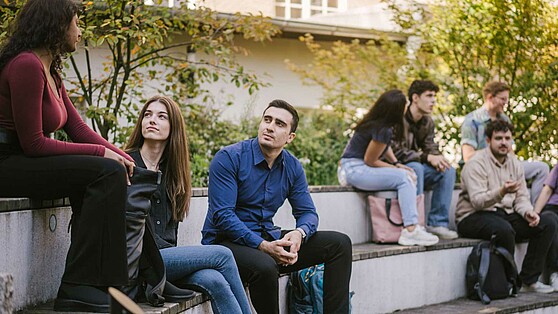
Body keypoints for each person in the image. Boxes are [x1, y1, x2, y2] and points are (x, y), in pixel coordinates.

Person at [0, 0, 134, 312]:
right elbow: (34, 144)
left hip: (26, 161)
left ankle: (98, 283)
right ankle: (79, 285)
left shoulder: (50, 71)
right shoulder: (25, 65)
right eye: (76, 23)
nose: (80, 31)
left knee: (115, 171)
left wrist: (123, 156)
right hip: (7, 163)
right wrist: (103, 156)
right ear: (57, 26)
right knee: (105, 172)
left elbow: (77, 128)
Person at [201, 99, 352, 314]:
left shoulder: (291, 166)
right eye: (267, 119)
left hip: (265, 238)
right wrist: (263, 245)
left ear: (290, 137)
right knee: (265, 265)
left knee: (339, 244)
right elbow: (223, 217)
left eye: (279, 124)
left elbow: (307, 212)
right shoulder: (229, 158)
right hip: (224, 244)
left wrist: (299, 234)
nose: (269, 126)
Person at [125, 95, 252, 314]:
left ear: (173, 128)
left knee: (215, 280)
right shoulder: (126, 164)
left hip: (164, 262)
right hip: (137, 262)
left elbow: (169, 236)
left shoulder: (173, 175)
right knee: (222, 255)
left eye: (161, 116)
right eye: (147, 115)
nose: (152, 120)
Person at [456, 119, 557, 294]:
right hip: (472, 216)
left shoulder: (514, 163)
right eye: (499, 138)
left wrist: (527, 213)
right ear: (488, 141)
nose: (504, 142)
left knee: (548, 221)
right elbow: (478, 202)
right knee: (504, 230)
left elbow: (522, 197)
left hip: (503, 213)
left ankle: (529, 280)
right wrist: (501, 192)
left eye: (507, 138)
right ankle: (509, 283)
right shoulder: (476, 163)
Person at [338, 89, 439, 246]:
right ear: (396, 110)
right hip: (354, 169)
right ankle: (411, 230)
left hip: (353, 167)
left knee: (405, 173)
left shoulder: (379, 124)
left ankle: (411, 228)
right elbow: (371, 160)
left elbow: (384, 148)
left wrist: (397, 164)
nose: (406, 107)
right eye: (404, 105)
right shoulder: (383, 129)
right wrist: (398, 170)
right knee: (405, 178)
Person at [461, 81, 549, 204]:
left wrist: (514, 167)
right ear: (490, 97)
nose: (505, 102)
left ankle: (534, 211)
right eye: (503, 99)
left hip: (506, 166)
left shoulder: (504, 119)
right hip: (484, 168)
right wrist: (492, 152)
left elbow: (510, 152)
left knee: (542, 168)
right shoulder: (472, 121)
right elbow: (467, 157)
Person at [390, 80, 458, 239]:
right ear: (415, 98)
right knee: (416, 167)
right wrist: (427, 157)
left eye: (434, 96)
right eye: (429, 96)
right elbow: (395, 151)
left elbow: (430, 147)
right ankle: (416, 224)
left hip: (415, 169)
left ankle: (437, 224)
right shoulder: (398, 119)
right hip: (396, 169)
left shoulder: (427, 121)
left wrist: (439, 158)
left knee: (448, 170)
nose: (433, 100)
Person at [533, 164, 558, 290]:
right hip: (554, 207)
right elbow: (547, 190)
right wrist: (536, 214)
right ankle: (555, 273)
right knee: (551, 221)